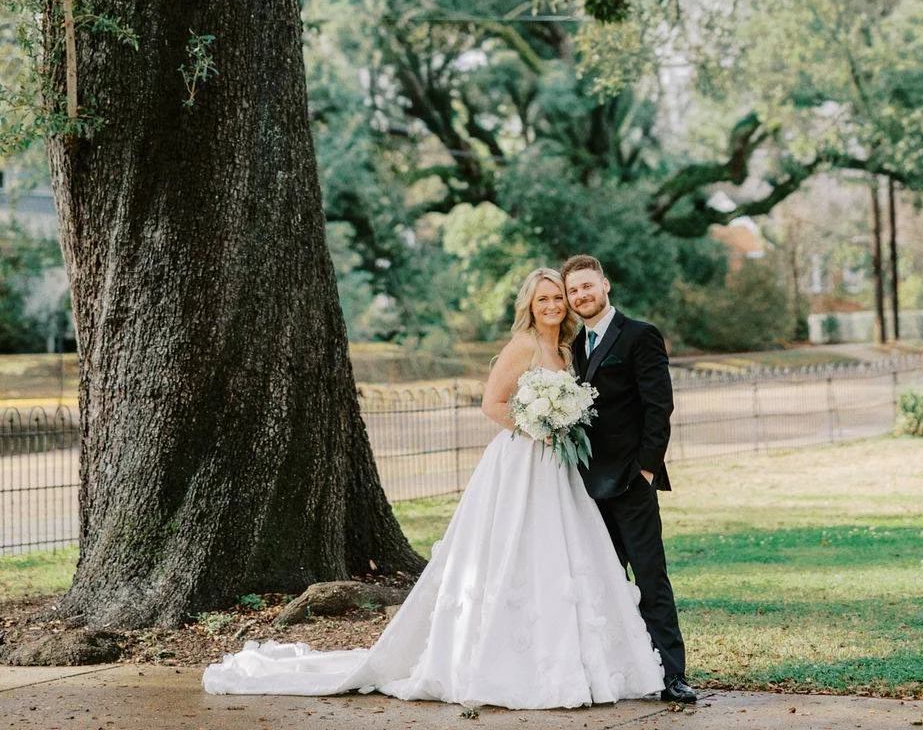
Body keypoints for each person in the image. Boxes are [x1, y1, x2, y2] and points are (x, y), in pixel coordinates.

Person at [203, 267, 664, 709]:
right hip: (521, 462)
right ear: (530, 304)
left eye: (558, 297)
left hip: (560, 471)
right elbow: (492, 404)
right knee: (512, 553)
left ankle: (573, 656)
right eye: (543, 298)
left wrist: (563, 426)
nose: (553, 305)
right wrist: (538, 426)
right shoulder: (522, 346)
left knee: (559, 557)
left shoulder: (569, 351)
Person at [563, 253, 697, 705]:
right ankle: (618, 670)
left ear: (605, 285)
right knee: (602, 579)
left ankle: (672, 673)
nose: (581, 295)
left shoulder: (640, 335)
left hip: (630, 482)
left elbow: (659, 407)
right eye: (573, 291)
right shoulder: (574, 348)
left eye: (587, 285)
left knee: (650, 574)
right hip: (584, 486)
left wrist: (645, 468)